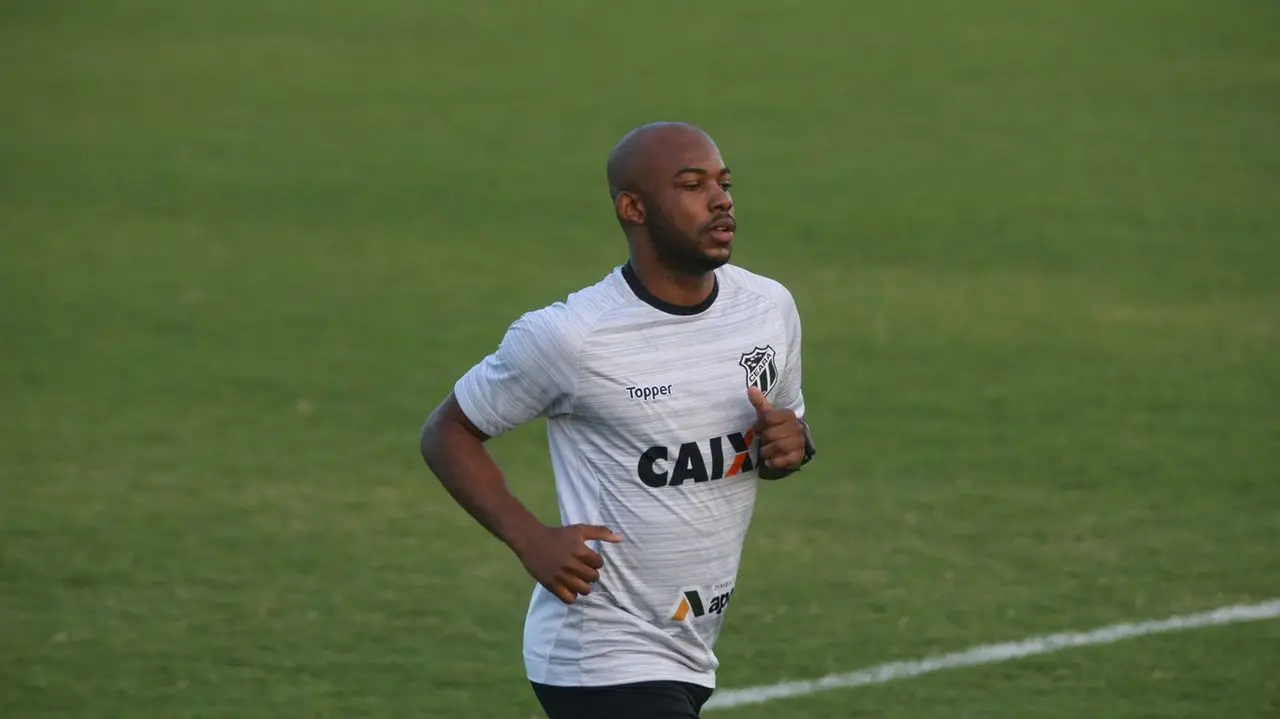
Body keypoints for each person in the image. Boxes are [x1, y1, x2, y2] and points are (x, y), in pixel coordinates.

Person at [419, 121, 816, 719]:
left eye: (724, 183)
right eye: (692, 185)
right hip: (598, 649)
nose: (720, 200)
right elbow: (447, 432)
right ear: (633, 208)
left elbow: (781, 438)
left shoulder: (767, 309)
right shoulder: (573, 337)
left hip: (689, 645)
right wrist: (529, 538)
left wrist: (794, 445)